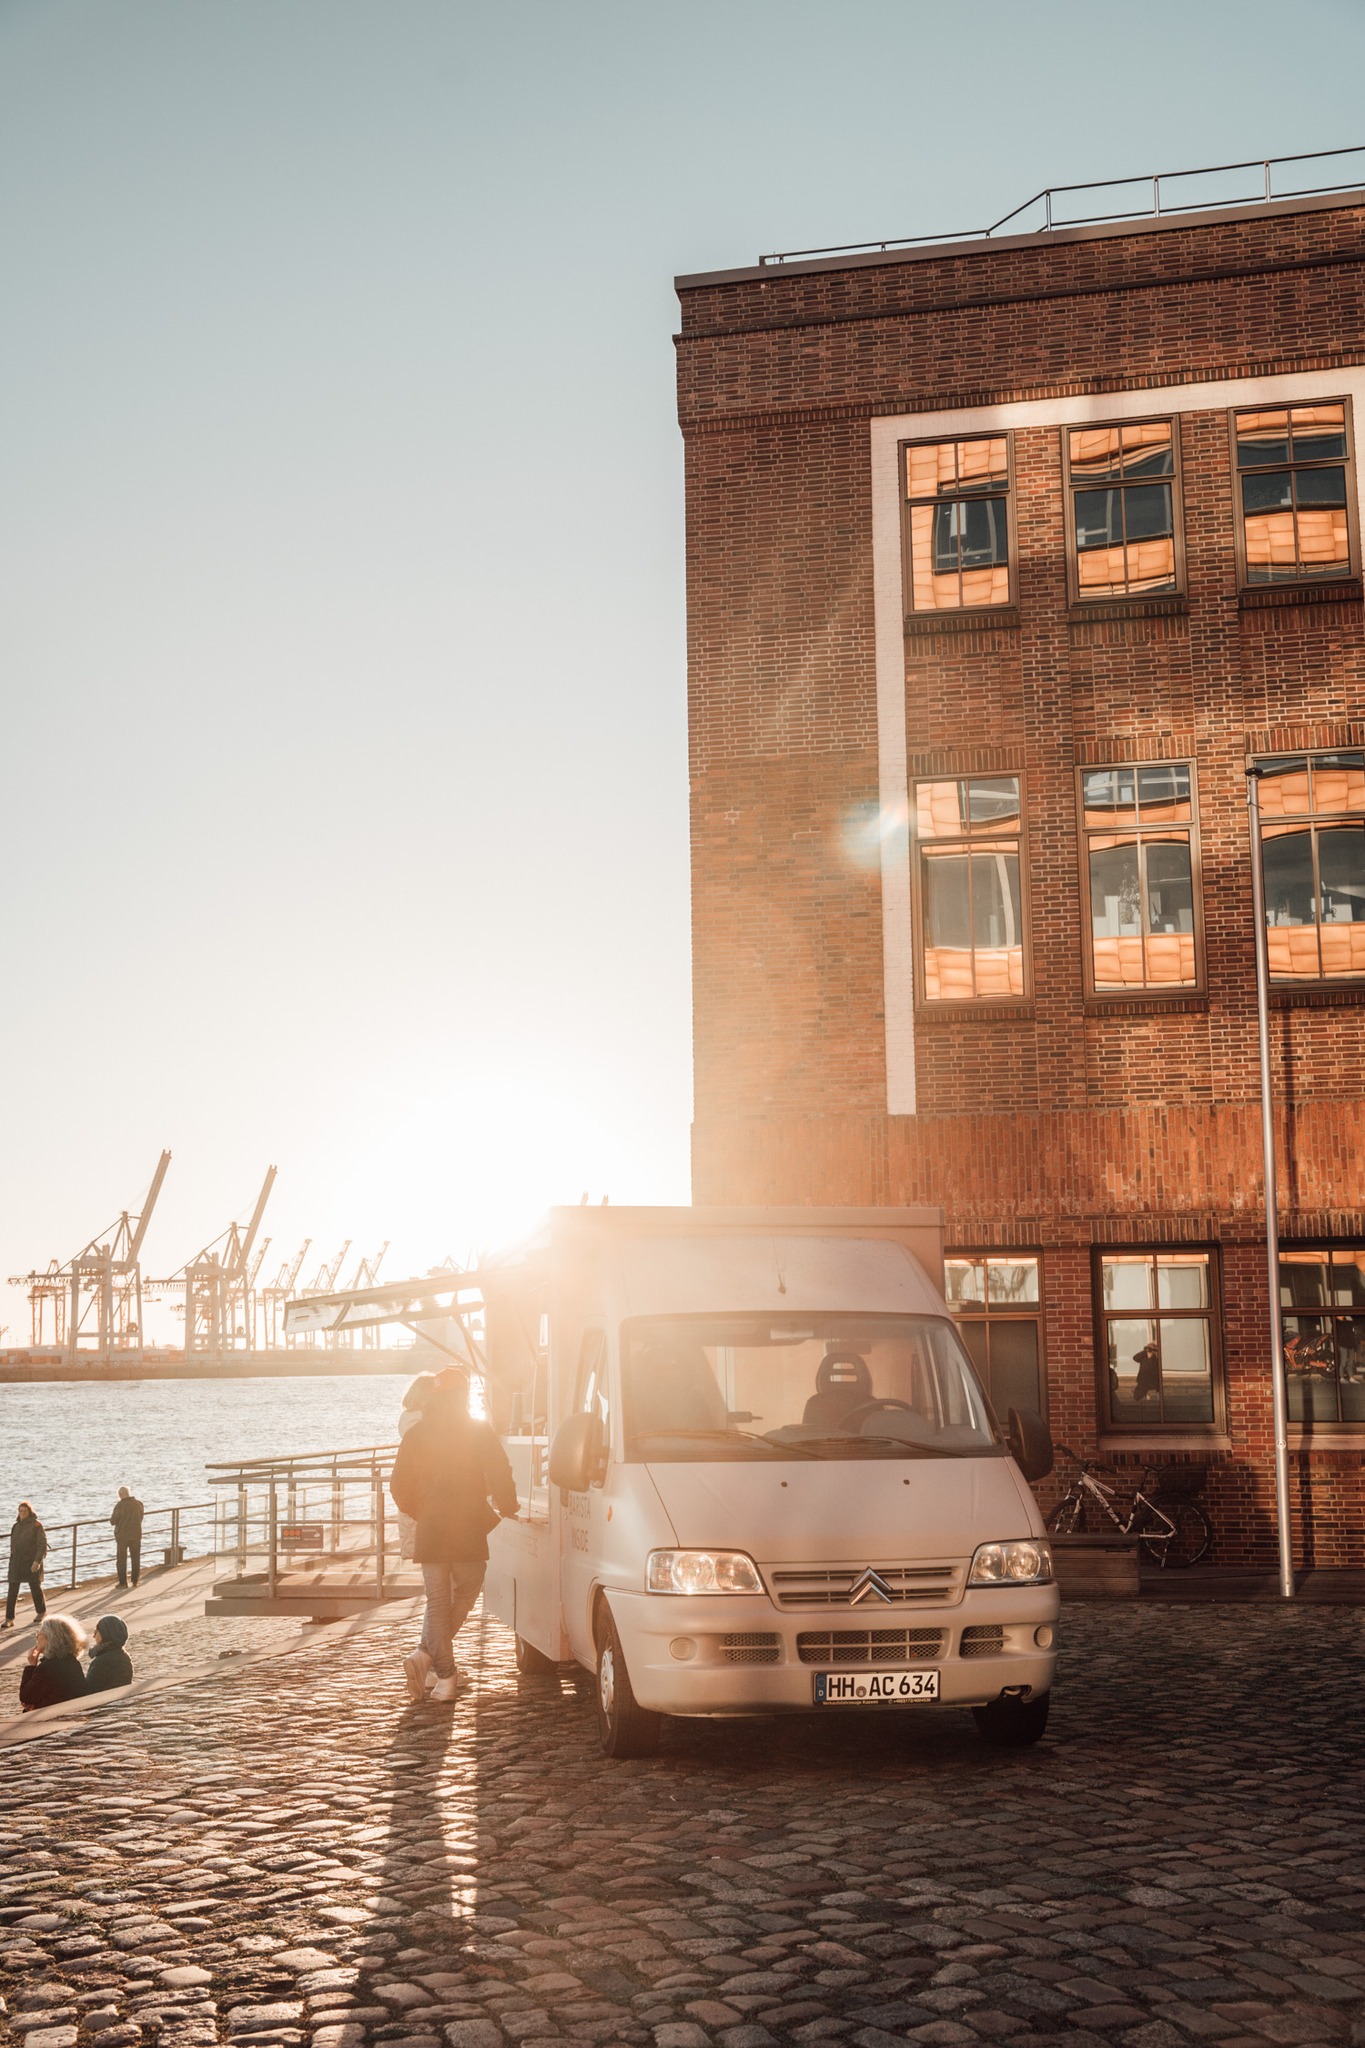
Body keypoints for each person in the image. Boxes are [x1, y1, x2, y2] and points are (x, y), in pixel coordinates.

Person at [389, 1370, 518, 1704]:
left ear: (434, 1395)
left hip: (431, 1531)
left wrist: (424, 1512)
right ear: (464, 1395)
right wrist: (508, 1505)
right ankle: (431, 1661)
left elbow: (398, 1487)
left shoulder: (416, 1434)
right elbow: (500, 1470)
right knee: (467, 1590)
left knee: (436, 1602)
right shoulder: (477, 1430)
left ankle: (440, 1673)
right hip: (467, 1528)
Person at [19, 1614, 88, 1711]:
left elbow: (26, 1696)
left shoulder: (47, 1667)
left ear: (50, 1637)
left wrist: (32, 1666)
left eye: (38, 1634)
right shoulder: (72, 1661)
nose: (36, 1638)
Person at [4, 1502, 48, 1630]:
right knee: (12, 1589)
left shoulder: (36, 1525)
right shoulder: (16, 1526)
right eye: (20, 1511)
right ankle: (9, 1618)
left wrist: (37, 1561)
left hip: (31, 1561)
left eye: (24, 1511)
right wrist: (12, 1561)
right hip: (16, 1562)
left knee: (35, 1587)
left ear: (29, 1512)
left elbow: (42, 1545)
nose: (22, 1513)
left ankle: (41, 1611)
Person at [85, 1614, 134, 1694]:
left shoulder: (102, 1661)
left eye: (96, 1631)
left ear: (104, 1633)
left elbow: (89, 1690)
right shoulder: (123, 1655)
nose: (93, 1636)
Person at [110, 1487, 145, 1589]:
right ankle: (135, 1580)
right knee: (136, 1558)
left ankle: (123, 1583)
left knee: (121, 1559)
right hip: (136, 1534)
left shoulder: (120, 1506)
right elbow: (141, 1517)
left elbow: (113, 1521)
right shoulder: (138, 1504)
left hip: (122, 1535)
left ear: (120, 1495)